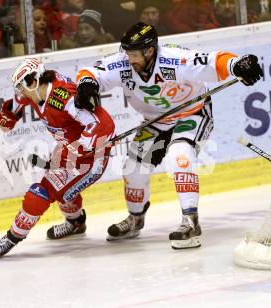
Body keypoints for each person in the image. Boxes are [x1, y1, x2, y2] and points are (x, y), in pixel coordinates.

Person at [75, 22, 263, 249]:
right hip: (155, 121)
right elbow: (91, 72)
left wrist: (238, 65)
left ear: (150, 50)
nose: (129, 58)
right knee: (133, 168)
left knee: (179, 155)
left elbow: (214, 61)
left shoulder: (175, 59)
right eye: (127, 52)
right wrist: (86, 84)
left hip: (191, 114)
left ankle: (190, 221)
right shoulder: (123, 63)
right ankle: (135, 219)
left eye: (134, 53)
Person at [0, 58, 115, 260]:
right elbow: (19, 101)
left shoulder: (64, 98)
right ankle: (76, 223)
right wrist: (10, 114)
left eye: (20, 87)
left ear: (32, 82)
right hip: (67, 149)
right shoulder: (36, 90)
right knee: (63, 191)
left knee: (41, 192)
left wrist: (81, 147)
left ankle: (11, 238)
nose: (20, 92)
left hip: (89, 158)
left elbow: (104, 125)